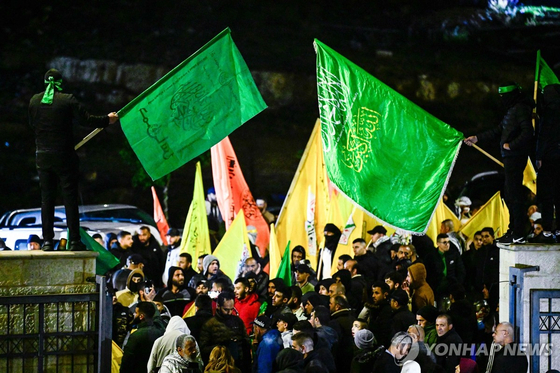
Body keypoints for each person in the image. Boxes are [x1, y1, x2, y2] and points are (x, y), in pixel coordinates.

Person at [28, 68, 118, 251]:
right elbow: (86, 120)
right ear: (61, 83)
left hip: (42, 156)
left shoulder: (34, 101)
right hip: (64, 155)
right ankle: (74, 240)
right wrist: (107, 120)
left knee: (47, 200)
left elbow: (32, 124)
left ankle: (47, 241)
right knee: (69, 198)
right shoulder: (67, 100)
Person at [465, 82, 534, 244]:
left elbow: (528, 132)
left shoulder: (521, 109)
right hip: (509, 158)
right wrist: (477, 138)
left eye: (504, 96)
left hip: (516, 157)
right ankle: (513, 229)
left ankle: (519, 232)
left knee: (514, 194)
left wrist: (512, 145)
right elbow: (498, 131)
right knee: (509, 194)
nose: (502, 100)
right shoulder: (511, 110)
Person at [536, 84, 560, 241]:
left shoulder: (549, 113)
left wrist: (538, 156)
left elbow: (543, 137)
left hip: (549, 160)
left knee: (547, 196)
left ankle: (547, 230)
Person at [120, 302, 165, 373]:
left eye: (136, 313)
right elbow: (157, 317)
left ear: (141, 316)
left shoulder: (136, 336)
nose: (134, 315)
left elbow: (127, 361)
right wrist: (150, 302)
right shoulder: (160, 330)